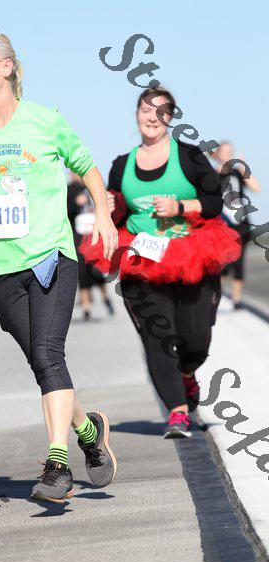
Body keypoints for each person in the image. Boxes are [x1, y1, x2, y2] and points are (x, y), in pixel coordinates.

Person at [0, 30, 118, 503]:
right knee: (45, 365)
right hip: (1, 269)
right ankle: (88, 432)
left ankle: (57, 467)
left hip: (50, 257)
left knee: (47, 353)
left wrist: (103, 216)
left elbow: (87, 167)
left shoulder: (46, 120)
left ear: (6, 66)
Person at [79, 87, 241, 439]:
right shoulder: (121, 164)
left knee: (195, 341)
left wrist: (180, 207)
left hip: (192, 254)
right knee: (158, 337)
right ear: (136, 114)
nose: (152, 117)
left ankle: (187, 372)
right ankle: (177, 412)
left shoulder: (190, 156)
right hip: (142, 260)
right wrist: (112, 205)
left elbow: (214, 201)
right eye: (145, 110)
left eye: (161, 111)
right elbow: (118, 214)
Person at [211, 141, 260, 309]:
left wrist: (244, 169)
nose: (227, 155)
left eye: (229, 152)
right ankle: (217, 296)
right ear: (217, 154)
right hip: (222, 223)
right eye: (224, 152)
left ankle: (236, 300)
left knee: (239, 263)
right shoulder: (212, 175)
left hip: (241, 223)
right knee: (223, 262)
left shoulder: (238, 173)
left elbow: (256, 188)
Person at [67, 171, 115, 321]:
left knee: (97, 270)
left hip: (95, 236)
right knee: (82, 272)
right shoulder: (70, 189)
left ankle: (106, 299)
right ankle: (86, 308)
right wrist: (75, 203)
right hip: (79, 237)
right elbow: (66, 213)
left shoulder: (96, 186)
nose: (74, 175)